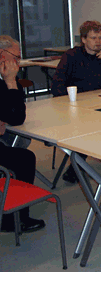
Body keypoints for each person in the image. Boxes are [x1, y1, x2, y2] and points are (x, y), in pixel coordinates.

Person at [51, 21, 101, 183]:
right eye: (93, 38)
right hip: (73, 106)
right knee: (88, 127)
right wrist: (69, 102)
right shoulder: (71, 56)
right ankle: (75, 168)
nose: (98, 41)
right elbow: (56, 85)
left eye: (100, 38)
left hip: (97, 104)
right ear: (83, 39)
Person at [0, 35, 45, 233]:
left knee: (21, 146)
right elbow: (14, 116)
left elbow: (17, 115)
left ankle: (13, 207)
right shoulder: (8, 76)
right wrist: (10, 82)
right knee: (24, 158)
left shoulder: (9, 75)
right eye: (15, 57)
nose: (18, 62)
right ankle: (14, 220)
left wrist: (11, 82)